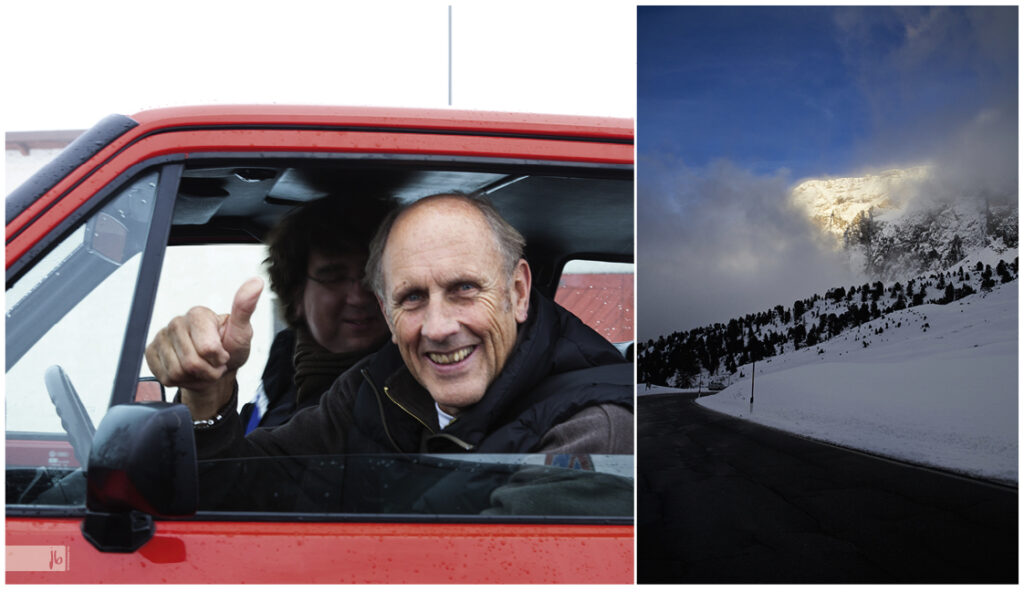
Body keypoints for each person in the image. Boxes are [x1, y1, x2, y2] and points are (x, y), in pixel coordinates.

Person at [148, 193, 633, 458]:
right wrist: (207, 395)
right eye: (412, 297)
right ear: (389, 310)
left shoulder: (593, 429)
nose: (438, 327)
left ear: (519, 293)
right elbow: (240, 497)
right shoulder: (375, 390)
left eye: (464, 288)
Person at [145, 195, 394, 434]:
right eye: (334, 277)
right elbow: (246, 448)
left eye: (372, 276)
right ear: (296, 294)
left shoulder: (404, 388)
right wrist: (207, 392)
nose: (359, 296)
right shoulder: (287, 359)